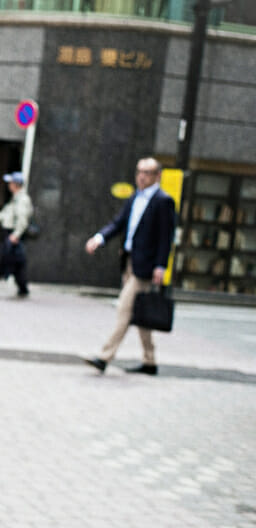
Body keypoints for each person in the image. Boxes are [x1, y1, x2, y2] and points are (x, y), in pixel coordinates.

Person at [83, 156, 176, 375]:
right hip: (129, 262)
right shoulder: (135, 197)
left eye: (147, 172)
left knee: (124, 308)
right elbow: (118, 223)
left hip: (145, 268)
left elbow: (166, 237)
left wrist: (161, 266)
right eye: (139, 171)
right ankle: (149, 361)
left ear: (157, 176)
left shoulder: (164, 201)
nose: (141, 176)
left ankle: (104, 357)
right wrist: (99, 238)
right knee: (139, 312)